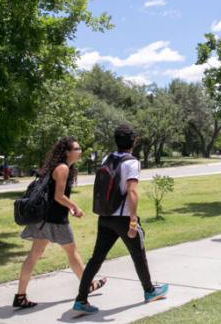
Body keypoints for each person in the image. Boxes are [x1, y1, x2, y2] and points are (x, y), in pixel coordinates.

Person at [72, 124, 168, 315]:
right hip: (123, 218)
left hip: (105, 216)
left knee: (96, 259)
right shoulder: (132, 162)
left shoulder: (108, 157)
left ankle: (81, 300)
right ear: (134, 141)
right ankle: (149, 291)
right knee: (138, 253)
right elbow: (132, 191)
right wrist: (133, 221)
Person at [14, 137, 106, 308]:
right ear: (67, 152)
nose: (80, 151)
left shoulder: (57, 167)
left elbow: (53, 196)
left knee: (34, 256)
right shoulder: (63, 168)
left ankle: (20, 296)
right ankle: (88, 285)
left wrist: (68, 207)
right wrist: (75, 206)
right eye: (77, 149)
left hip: (45, 219)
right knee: (72, 252)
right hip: (54, 221)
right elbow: (58, 196)